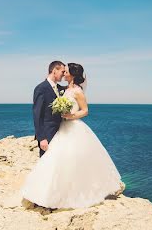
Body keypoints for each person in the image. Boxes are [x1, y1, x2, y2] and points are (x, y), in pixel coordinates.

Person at [22, 62, 124, 209]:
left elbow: (85, 110)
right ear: (55, 70)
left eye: (66, 71)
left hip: (71, 128)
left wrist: (71, 116)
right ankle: (46, 196)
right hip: (58, 130)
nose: (64, 74)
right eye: (62, 71)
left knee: (71, 163)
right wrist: (41, 136)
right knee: (53, 162)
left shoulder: (76, 91)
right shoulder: (53, 88)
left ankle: (68, 196)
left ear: (72, 75)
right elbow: (37, 114)